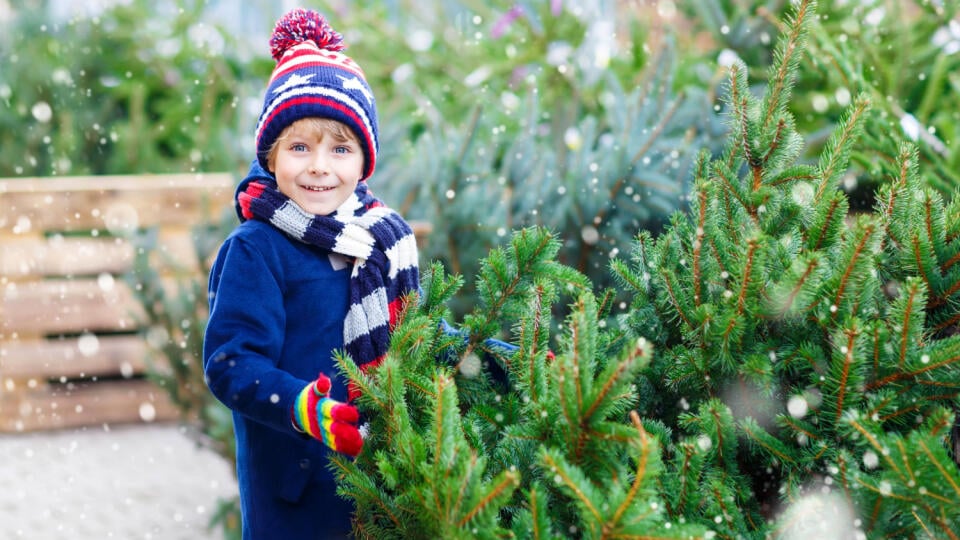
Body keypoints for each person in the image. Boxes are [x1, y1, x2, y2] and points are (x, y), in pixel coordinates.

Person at [203, 8, 419, 538]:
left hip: (381, 481)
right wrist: (304, 408)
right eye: (300, 147)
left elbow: (417, 335)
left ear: (363, 162)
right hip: (296, 489)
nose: (320, 166)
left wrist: (493, 355)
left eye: (340, 148)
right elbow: (231, 363)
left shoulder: (377, 242)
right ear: (271, 155)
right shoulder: (256, 249)